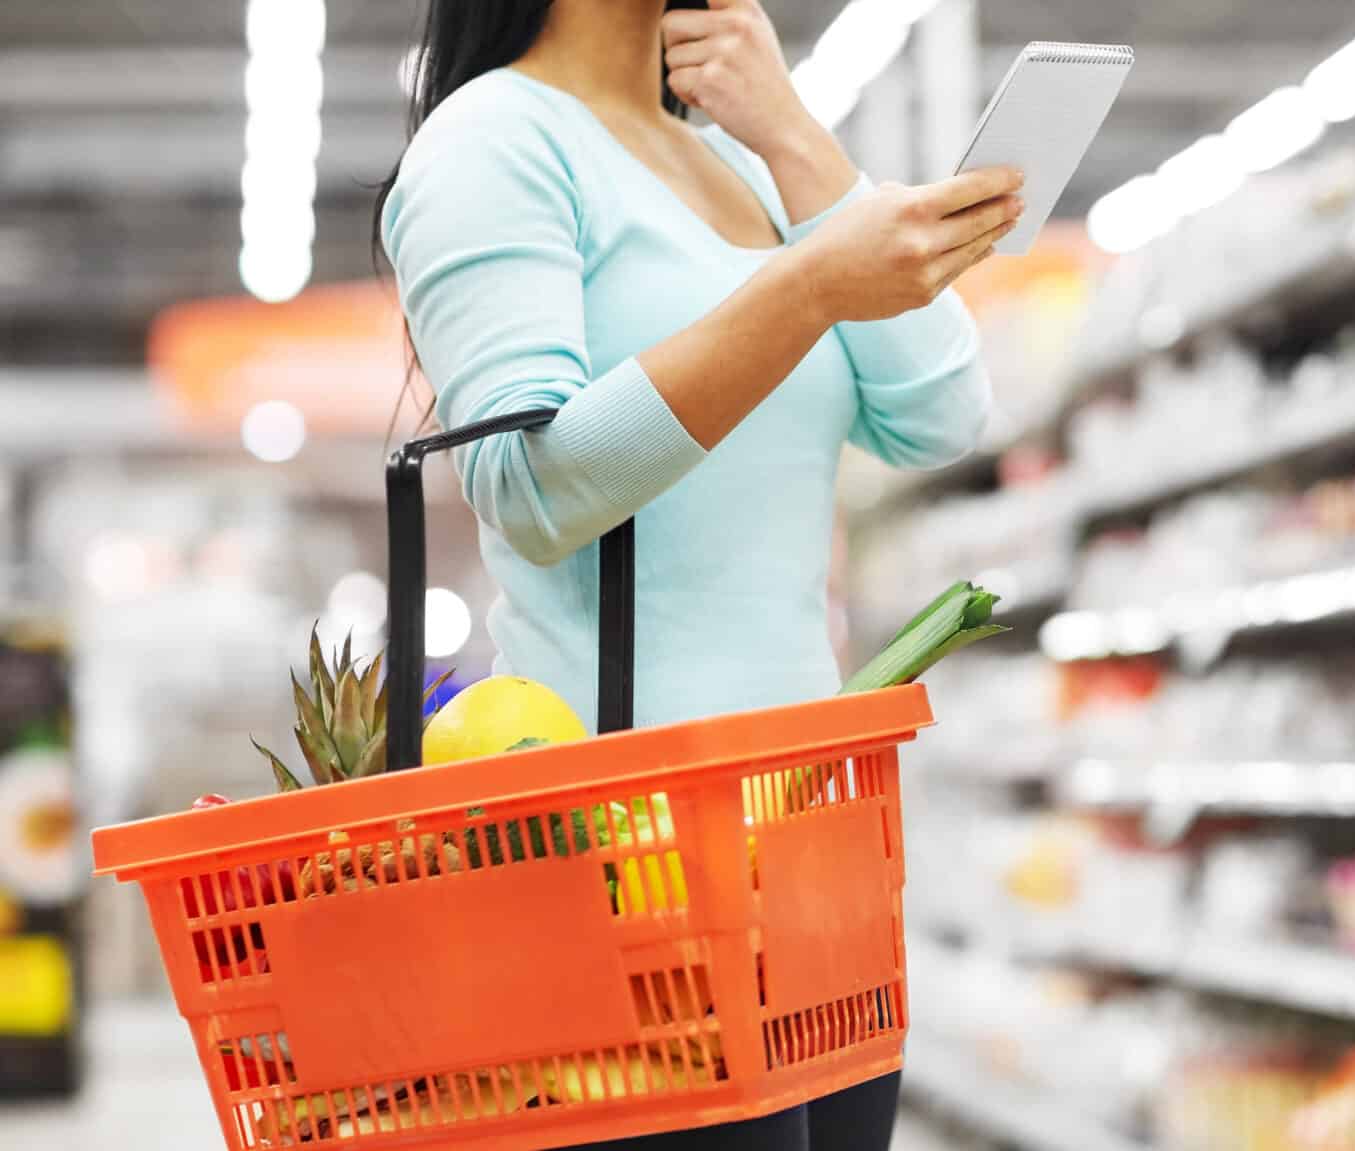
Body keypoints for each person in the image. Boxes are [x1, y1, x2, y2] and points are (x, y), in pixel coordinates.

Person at [375, 0, 1022, 1147]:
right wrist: (811, 284)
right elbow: (534, 492)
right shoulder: (494, 142)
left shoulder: (743, 154)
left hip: (820, 873)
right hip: (633, 878)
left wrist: (795, 140)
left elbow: (944, 414)